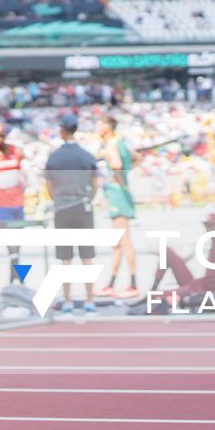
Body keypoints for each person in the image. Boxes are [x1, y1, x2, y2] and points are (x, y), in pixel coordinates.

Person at [42, 112, 102, 316]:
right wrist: (88, 197)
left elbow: (48, 186)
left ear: (62, 130)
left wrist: (58, 199)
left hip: (62, 209)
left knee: (65, 259)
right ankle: (90, 301)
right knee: (86, 257)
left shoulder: (54, 156)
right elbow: (95, 183)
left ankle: (67, 302)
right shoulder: (86, 155)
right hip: (83, 208)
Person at [97, 113, 139, 296]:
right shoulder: (120, 142)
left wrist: (118, 180)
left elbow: (115, 164)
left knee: (124, 241)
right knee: (117, 243)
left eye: (99, 126)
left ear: (106, 128)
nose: (97, 130)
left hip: (117, 196)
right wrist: (125, 176)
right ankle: (111, 283)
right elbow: (136, 158)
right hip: (120, 193)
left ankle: (133, 284)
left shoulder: (111, 146)